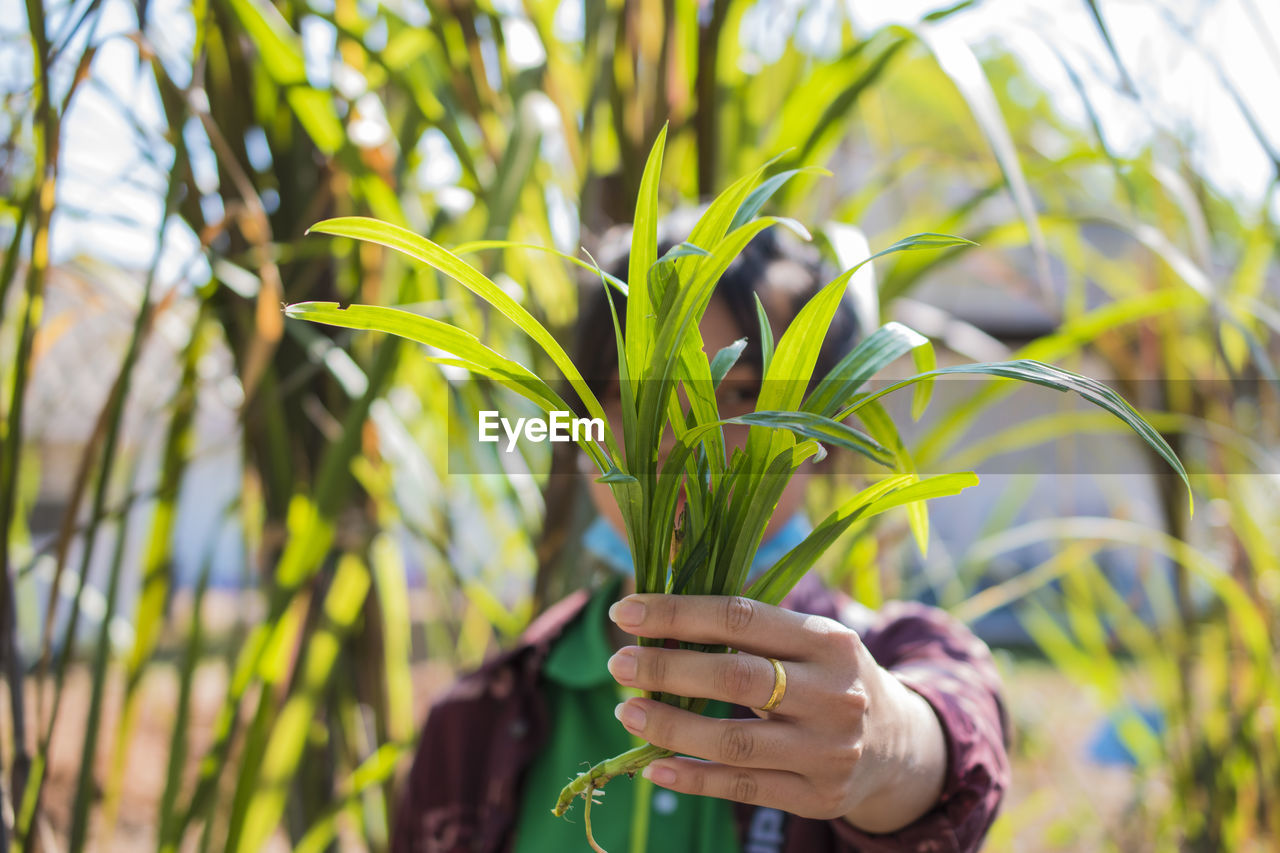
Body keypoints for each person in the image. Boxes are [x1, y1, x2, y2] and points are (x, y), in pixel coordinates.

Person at [391, 220, 1011, 853]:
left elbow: (955, 736)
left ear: (821, 431)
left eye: (743, 394)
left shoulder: (890, 657)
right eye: (640, 398)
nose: (689, 443)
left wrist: (888, 747)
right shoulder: (474, 723)